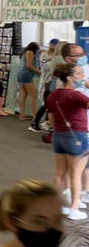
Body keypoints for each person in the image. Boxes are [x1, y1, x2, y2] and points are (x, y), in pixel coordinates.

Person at [45, 63, 89, 221]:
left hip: (59, 136)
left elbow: (50, 119)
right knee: (75, 175)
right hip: (77, 136)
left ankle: (58, 205)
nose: (82, 75)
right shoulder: (76, 95)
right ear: (70, 77)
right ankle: (74, 207)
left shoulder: (54, 95)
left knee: (59, 173)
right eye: (79, 73)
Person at [30, 39, 62, 132]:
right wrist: (54, 61)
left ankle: (47, 123)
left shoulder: (57, 57)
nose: (54, 47)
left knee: (49, 105)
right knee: (46, 104)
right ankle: (35, 123)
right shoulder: (45, 55)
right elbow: (45, 66)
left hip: (52, 82)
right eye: (53, 45)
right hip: (46, 82)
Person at [17, 42, 42, 120]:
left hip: (22, 74)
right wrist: (40, 72)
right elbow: (29, 66)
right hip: (26, 75)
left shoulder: (25, 52)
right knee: (33, 96)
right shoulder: (30, 52)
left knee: (23, 95)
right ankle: (35, 116)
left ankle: (22, 114)